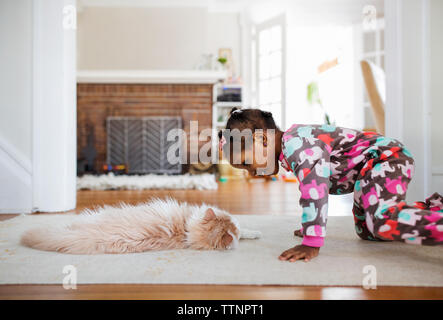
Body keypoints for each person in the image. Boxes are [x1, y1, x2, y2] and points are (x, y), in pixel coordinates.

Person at [218, 107, 443, 262]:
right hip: (366, 174)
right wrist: (310, 224)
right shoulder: (290, 148)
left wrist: (311, 239)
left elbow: (314, 190)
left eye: (247, 163)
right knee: (367, 231)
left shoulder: (297, 145)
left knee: (382, 222)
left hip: (385, 159)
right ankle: (434, 208)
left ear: (262, 139)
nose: (252, 172)